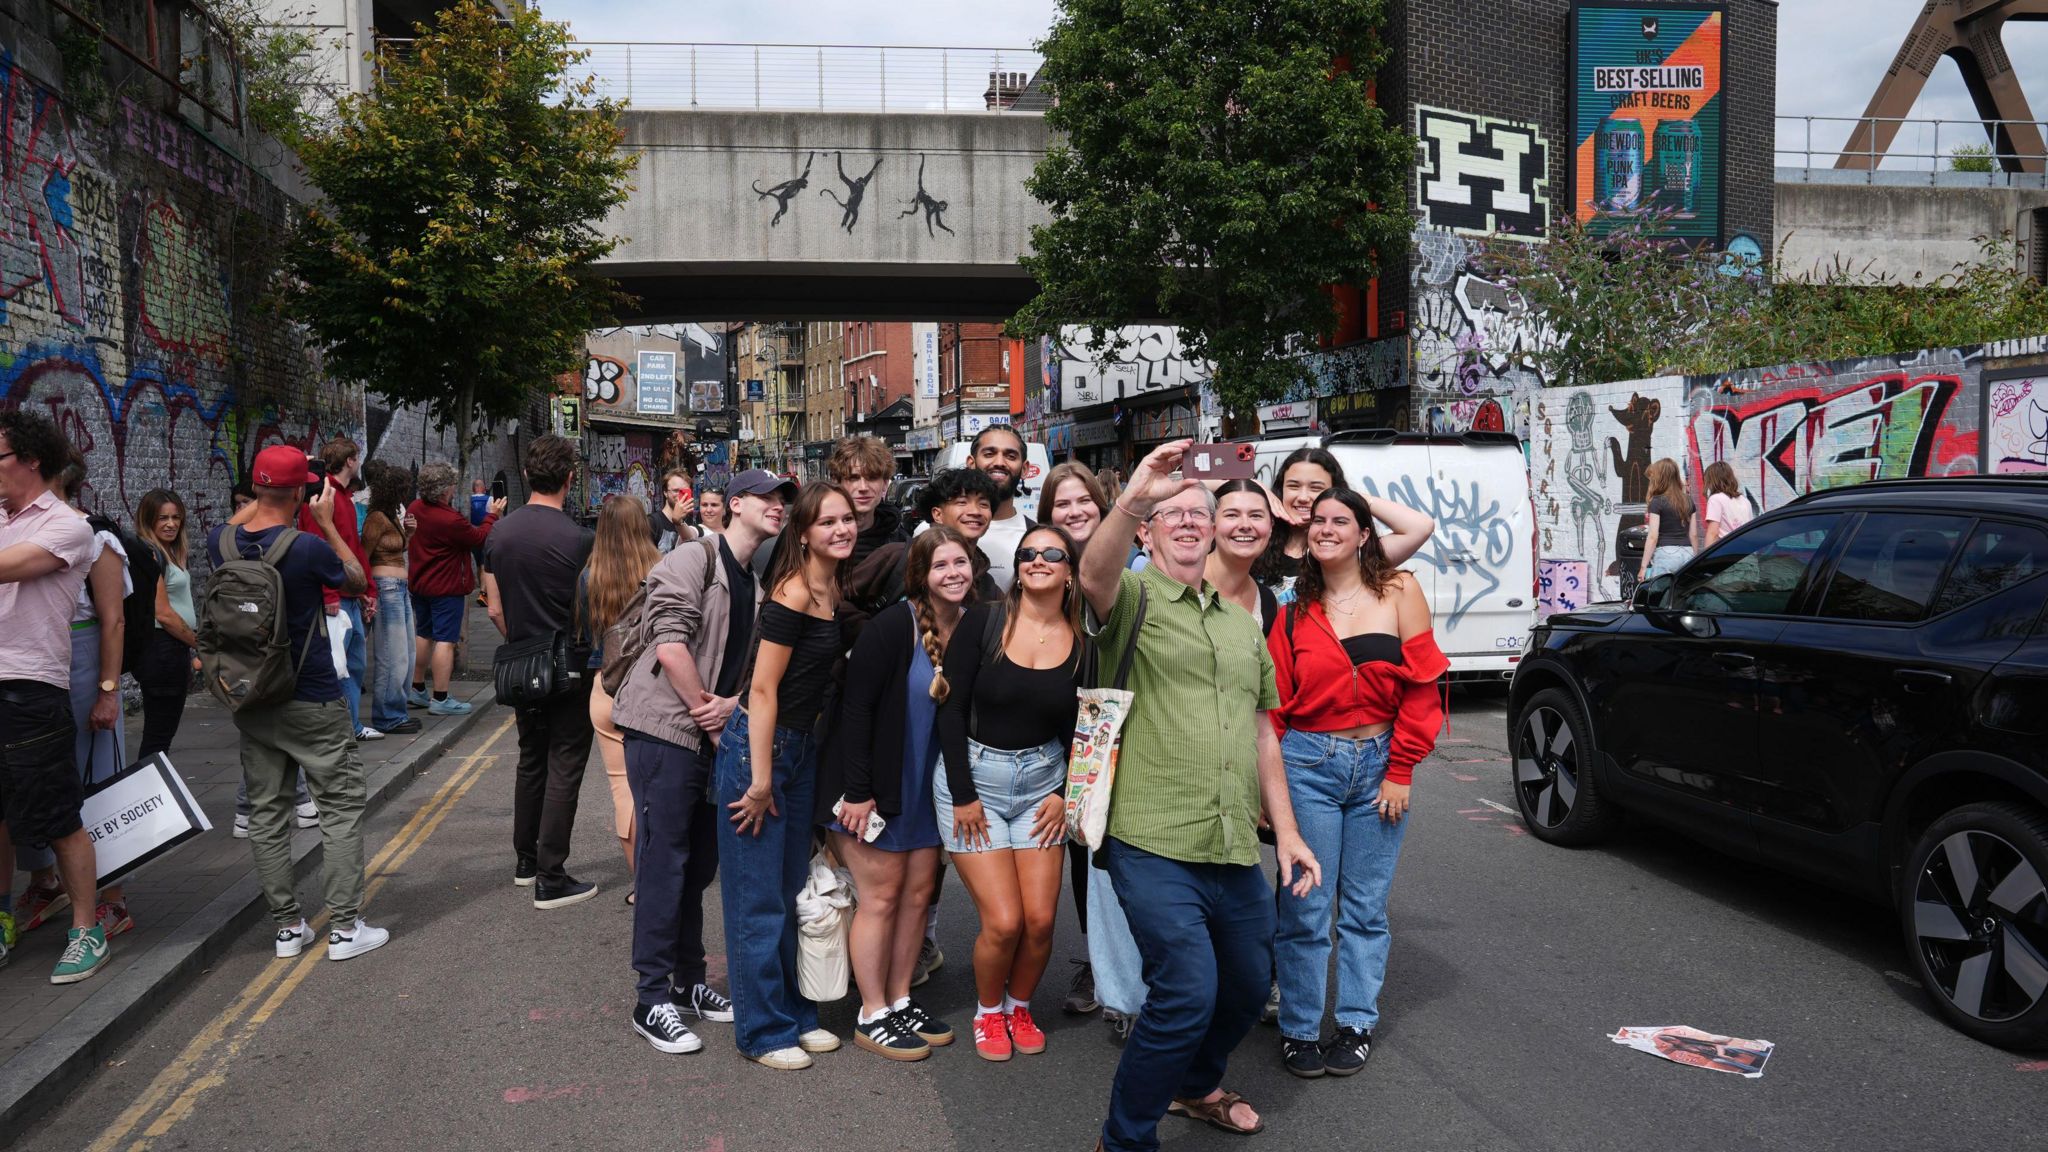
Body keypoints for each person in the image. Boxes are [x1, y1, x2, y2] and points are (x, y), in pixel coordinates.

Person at [1077, 438, 1321, 1151]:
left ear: (1213, 530)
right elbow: (1094, 571)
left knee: (1246, 986)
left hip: (1231, 839)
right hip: (1152, 838)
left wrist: (1290, 836)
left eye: (1198, 514)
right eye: (1170, 515)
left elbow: (1263, 733)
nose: (1187, 522)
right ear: (1148, 532)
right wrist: (1138, 492)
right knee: (1186, 992)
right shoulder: (1131, 599)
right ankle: (1124, 1139)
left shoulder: (1242, 622)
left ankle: (1195, 1083)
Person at [1267, 488, 1446, 1079]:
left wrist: (1401, 769)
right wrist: (1268, 796)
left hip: (1379, 764)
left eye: (1340, 520)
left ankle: (1356, 1023)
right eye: (1317, 521)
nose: (1325, 529)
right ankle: (1298, 1029)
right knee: (1306, 909)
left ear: (1364, 533)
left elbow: (1423, 687)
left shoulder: (1400, 590)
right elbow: (1272, 711)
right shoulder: (1293, 608)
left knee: (1365, 909)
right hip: (1308, 765)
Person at [613, 469, 793, 1055]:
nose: (778, 506)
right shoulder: (694, 560)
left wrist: (730, 706)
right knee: (665, 862)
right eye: (766, 497)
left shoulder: (755, 582)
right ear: (734, 504)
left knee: (698, 866)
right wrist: (709, 715)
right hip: (665, 730)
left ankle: (690, 982)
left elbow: (746, 673)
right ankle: (650, 998)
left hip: (707, 735)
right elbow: (670, 643)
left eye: (783, 500)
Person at [209, 444, 386, 963]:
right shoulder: (306, 548)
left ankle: (288, 927)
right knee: (339, 808)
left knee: (266, 814)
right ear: (301, 492)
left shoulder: (223, 545)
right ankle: (346, 928)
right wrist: (327, 523)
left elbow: (243, 520)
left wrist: (270, 495)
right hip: (311, 698)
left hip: (252, 697)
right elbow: (356, 580)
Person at [715, 481, 857, 1070]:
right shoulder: (795, 590)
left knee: (788, 891)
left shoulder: (830, 585)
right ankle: (763, 1030)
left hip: (797, 752)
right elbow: (764, 688)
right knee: (756, 902)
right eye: (827, 522)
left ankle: (798, 1015)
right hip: (760, 752)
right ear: (803, 533)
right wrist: (761, 779)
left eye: (847, 519)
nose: (842, 529)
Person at [937, 524, 1089, 1062]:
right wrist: (962, 794)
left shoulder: (1084, 639)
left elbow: (1087, 727)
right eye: (1028, 553)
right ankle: (988, 1011)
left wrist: (1066, 792)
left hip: (1043, 785)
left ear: (1071, 570)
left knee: (1042, 920)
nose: (1038, 560)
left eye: (1053, 553)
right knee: (1003, 921)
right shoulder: (984, 621)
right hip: (974, 781)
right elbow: (950, 710)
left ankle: (1019, 1005)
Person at [825, 527, 974, 1061]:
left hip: (930, 793)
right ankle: (871, 1012)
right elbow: (856, 710)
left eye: (961, 562)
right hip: (879, 788)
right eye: (940, 566)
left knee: (916, 897)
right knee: (881, 898)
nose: (953, 573)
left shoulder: (974, 625)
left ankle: (900, 997)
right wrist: (859, 792)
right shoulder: (894, 626)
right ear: (920, 575)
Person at [0, 412, 109, 984]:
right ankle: (2, 919)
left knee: (58, 816)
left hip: (30, 687)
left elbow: (7, 568)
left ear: (31, 460)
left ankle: (86, 930)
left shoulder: (68, 526)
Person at [482, 435, 599, 908]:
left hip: (521, 663)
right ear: (570, 479)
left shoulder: (499, 534)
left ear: (527, 476)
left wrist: (520, 641)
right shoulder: (579, 539)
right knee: (565, 764)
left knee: (531, 757)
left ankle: (526, 862)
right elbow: (593, 608)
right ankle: (553, 878)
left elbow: (492, 607)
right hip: (569, 664)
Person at [1033, 461, 1114, 1018]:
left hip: (1122, 722)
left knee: (1126, 853)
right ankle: (1097, 960)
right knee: (1084, 851)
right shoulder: (1040, 570)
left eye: (1083, 500)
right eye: (1062, 504)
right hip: (1067, 732)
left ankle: (1135, 964)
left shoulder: (1127, 564)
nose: (1075, 511)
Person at [582, 496, 662, 890]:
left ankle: (641, 884)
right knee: (659, 790)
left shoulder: (589, 576)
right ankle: (666, 879)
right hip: (654, 691)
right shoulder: (662, 570)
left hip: (606, 690)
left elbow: (583, 635)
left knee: (622, 790)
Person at [406, 462, 500, 715]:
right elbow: (479, 538)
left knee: (424, 634)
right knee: (446, 640)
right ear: (444, 489)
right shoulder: (449, 519)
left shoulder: (414, 509)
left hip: (420, 583)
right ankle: (440, 697)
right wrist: (492, 515)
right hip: (446, 586)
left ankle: (417, 689)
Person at [850, 468, 1002, 617]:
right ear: (937, 514)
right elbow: (837, 600)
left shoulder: (988, 586)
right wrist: (872, 633)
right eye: (962, 502)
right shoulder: (896, 557)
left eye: (983, 504)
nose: (975, 512)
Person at [300, 438, 373, 743]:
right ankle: (341, 730)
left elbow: (351, 548)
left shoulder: (343, 496)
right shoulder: (323, 495)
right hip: (335, 598)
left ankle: (352, 726)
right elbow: (317, 545)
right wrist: (330, 594)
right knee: (339, 668)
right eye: (358, 457)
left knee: (355, 665)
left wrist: (366, 591)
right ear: (351, 461)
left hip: (350, 595)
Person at [134, 488, 200, 760]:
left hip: (169, 651)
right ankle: (149, 794)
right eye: (162, 518)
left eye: (176, 517)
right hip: (163, 652)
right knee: (158, 738)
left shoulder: (167, 552)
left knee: (161, 735)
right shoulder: (150, 554)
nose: (171, 524)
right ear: (148, 520)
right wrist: (200, 644)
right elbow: (163, 614)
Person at [359, 463, 420, 737]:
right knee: (391, 656)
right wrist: (367, 593)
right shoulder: (376, 519)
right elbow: (364, 555)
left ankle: (398, 711)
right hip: (386, 589)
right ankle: (387, 716)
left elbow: (398, 550)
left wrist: (409, 534)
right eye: (404, 488)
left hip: (400, 588)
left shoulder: (391, 516)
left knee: (407, 653)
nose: (407, 493)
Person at [954, 425, 1034, 593]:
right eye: (989, 454)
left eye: (1010, 456)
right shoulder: (933, 530)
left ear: (1025, 469)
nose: (999, 462)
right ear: (971, 463)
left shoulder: (1036, 538)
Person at [1639, 458, 1698, 583]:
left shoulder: (1657, 502)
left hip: (1666, 554)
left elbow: (1653, 536)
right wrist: (1696, 558)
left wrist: (1643, 567)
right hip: (1688, 553)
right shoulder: (1689, 500)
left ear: (1660, 478)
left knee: (1661, 595)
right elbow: (1693, 535)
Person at [1701, 461, 1754, 548]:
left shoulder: (1715, 499)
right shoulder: (1745, 501)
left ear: (1712, 481)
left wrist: (1704, 559)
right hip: (1747, 552)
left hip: (1728, 553)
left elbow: (1713, 533)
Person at [647, 470, 698, 553]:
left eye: (684, 491)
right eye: (675, 491)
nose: (680, 495)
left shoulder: (690, 520)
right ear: (665, 492)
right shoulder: (652, 522)